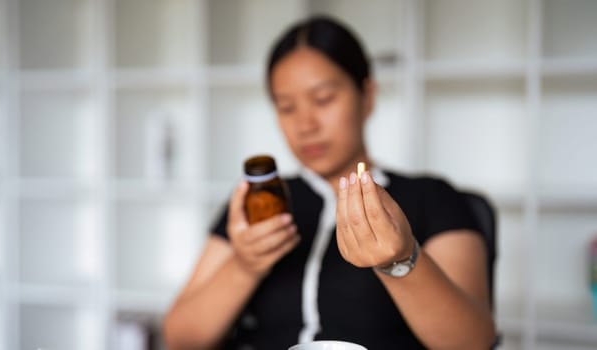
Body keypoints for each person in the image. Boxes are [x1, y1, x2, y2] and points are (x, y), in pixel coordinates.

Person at [163, 16, 496, 350]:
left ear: (367, 96)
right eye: (286, 107)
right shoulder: (261, 204)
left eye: (323, 99)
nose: (305, 124)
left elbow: (473, 342)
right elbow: (179, 339)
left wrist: (401, 261)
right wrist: (244, 265)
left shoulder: (431, 197)